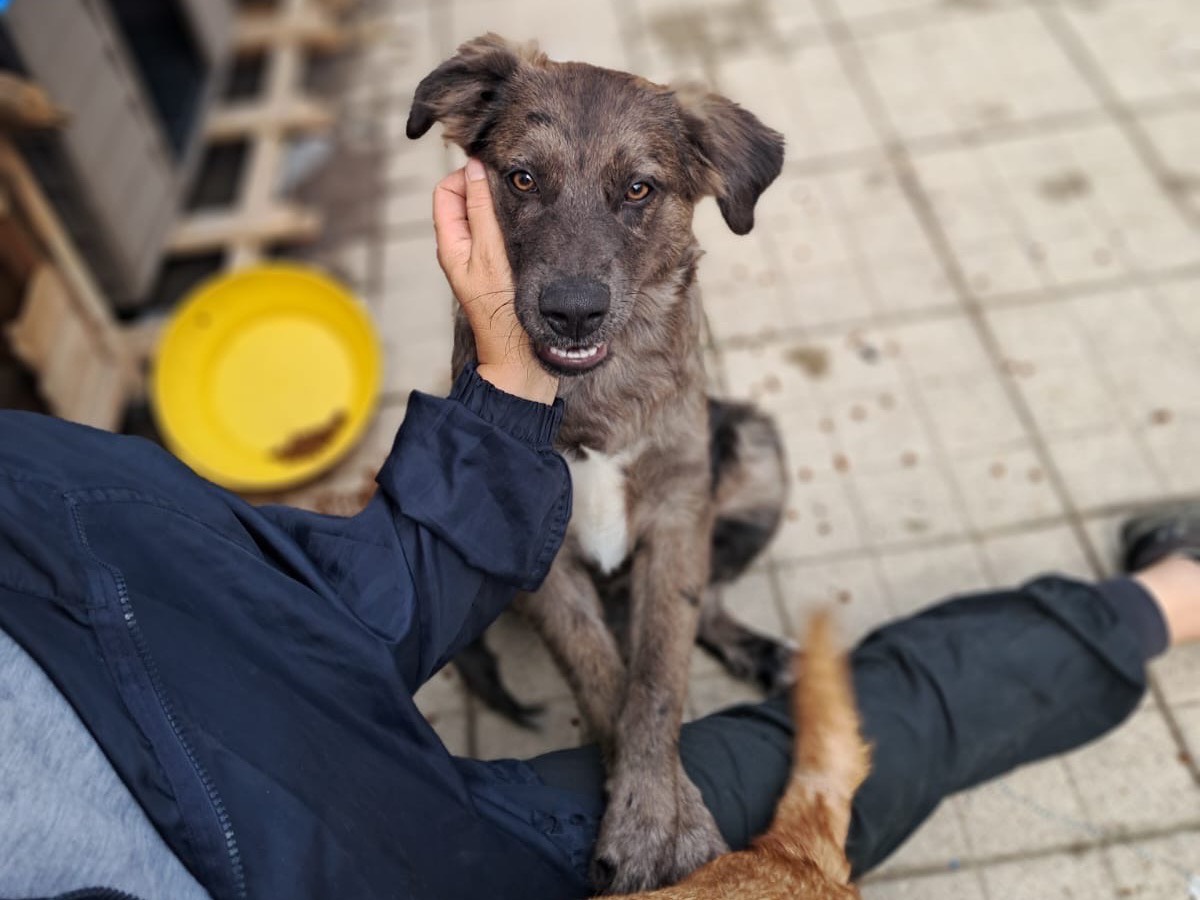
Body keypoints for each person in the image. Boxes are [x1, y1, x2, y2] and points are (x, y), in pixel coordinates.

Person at [0, 158, 1197, 900]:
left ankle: (1165, 601)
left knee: (836, 739)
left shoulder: (30, 490)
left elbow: (343, 606)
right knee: (833, 770)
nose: (575, 266)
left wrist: (506, 401)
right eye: (528, 182)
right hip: (454, 857)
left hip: (370, 763)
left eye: (633, 197)